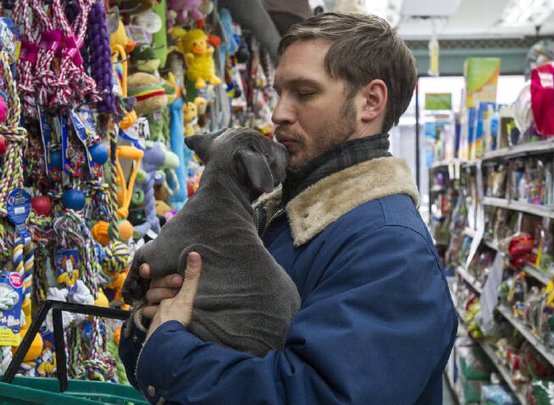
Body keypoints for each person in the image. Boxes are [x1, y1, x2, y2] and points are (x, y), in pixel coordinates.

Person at [119, 12, 458, 404]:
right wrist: (153, 320)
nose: (278, 112)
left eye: (305, 92)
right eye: (280, 92)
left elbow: (314, 396)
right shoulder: (277, 215)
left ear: (371, 101)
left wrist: (169, 348)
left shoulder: (392, 252)